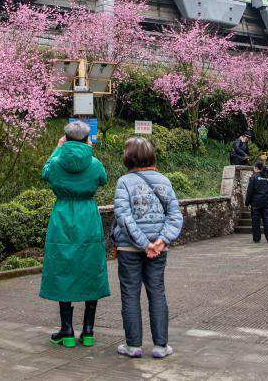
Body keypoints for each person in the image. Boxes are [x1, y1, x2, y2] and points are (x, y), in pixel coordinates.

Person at [39, 120, 110, 347]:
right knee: (91, 266)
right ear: (87, 139)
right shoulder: (95, 163)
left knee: (63, 267)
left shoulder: (57, 161)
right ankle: (88, 330)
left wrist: (58, 149)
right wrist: (89, 152)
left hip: (62, 215)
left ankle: (67, 330)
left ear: (66, 139)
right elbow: (104, 180)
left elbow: (45, 173)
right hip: (87, 215)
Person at [112, 137, 183, 360]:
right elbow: (175, 215)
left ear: (128, 157)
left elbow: (123, 217)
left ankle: (133, 346)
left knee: (130, 295)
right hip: (158, 250)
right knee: (157, 293)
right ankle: (161, 346)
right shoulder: (164, 180)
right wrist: (160, 242)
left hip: (129, 249)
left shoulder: (124, 182)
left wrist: (144, 244)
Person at [244, 162, 268, 243]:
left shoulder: (254, 178)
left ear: (257, 168)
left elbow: (249, 191)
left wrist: (247, 202)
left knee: (256, 221)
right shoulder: (267, 178)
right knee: (267, 220)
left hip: (256, 203)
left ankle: (256, 239)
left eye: (254, 168)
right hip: (265, 202)